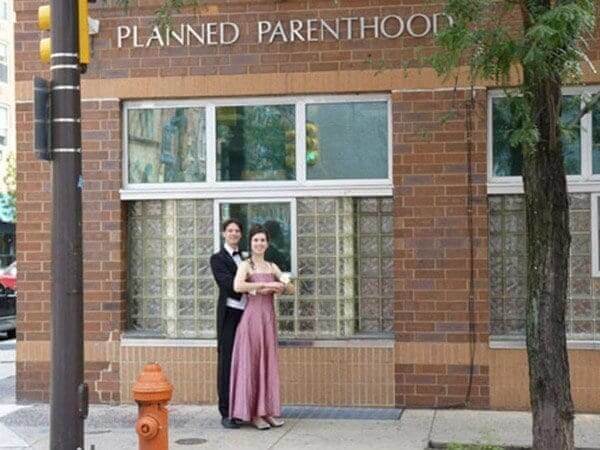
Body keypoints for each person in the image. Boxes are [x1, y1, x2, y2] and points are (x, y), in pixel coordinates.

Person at [229, 224, 293, 430]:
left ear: (268, 243)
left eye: (263, 240)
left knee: (267, 364)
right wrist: (263, 286)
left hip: (267, 319)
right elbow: (238, 286)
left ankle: (267, 412)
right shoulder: (246, 265)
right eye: (256, 240)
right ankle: (254, 414)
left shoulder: (272, 266)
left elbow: (291, 288)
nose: (259, 244)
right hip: (251, 320)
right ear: (251, 242)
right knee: (253, 364)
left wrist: (282, 284)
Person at [209, 219, 246, 429]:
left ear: (240, 235)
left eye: (237, 230)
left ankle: (241, 408)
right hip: (229, 316)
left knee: (243, 362)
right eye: (230, 230)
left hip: (247, 314)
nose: (233, 233)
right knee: (226, 363)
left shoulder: (246, 258)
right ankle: (226, 412)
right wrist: (253, 286)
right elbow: (229, 286)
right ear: (224, 233)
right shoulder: (217, 259)